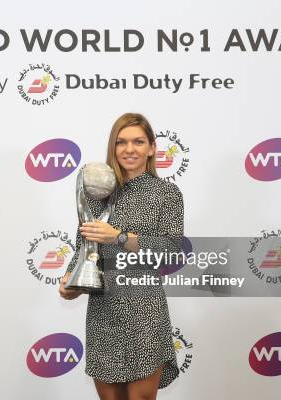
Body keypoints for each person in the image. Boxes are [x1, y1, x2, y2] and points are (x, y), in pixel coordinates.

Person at [59, 113, 184, 400]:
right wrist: (69, 281)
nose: (130, 149)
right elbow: (83, 244)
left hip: (145, 308)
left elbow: (172, 249)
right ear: (113, 147)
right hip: (104, 308)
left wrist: (119, 237)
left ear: (152, 148)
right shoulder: (96, 192)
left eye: (138, 142)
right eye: (122, 142)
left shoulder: (167, 193)